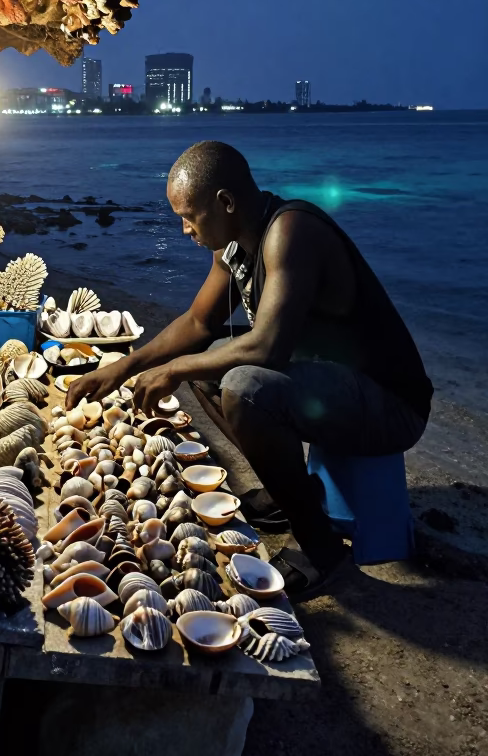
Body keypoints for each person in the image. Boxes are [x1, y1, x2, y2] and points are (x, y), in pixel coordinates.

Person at [67, 140, 432, 599]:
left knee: (242, 384)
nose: (184, 230)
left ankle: (321, 548)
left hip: (391, 405)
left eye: (189, 216)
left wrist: (175, 369)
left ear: (225, 202)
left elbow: (269, 346)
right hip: (332, 388)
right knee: (208, 368)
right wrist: (124, 365)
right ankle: (287, 493)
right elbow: (199, 323)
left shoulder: (290, 232)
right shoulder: (237, 243)